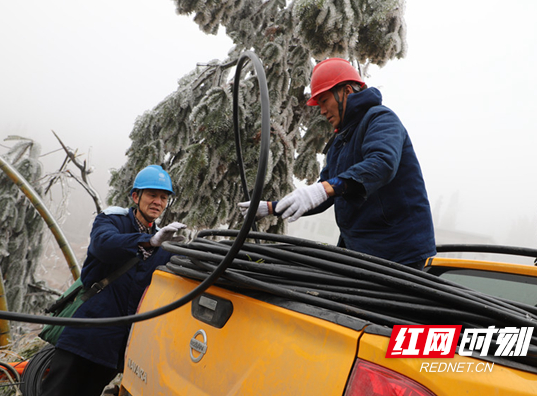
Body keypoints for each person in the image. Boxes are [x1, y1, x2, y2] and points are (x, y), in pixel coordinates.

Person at [239, 58, 435, 270]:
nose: (322, 111)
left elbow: (381, 163)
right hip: (363, 252)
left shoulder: (381, 119)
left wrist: (324, 189)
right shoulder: (342, 141)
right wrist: (270, 208)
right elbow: (324, 192)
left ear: (347, 91)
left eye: (324, 101)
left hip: (400, 255)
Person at [40, 165, 186, 396]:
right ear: (136, 196)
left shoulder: (165, 243)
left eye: (163, 197)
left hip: (113, 348)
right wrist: (148, 241)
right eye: (152, 195)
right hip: (85, 334)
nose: (158, 201)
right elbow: (103, 245)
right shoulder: (113, 221)